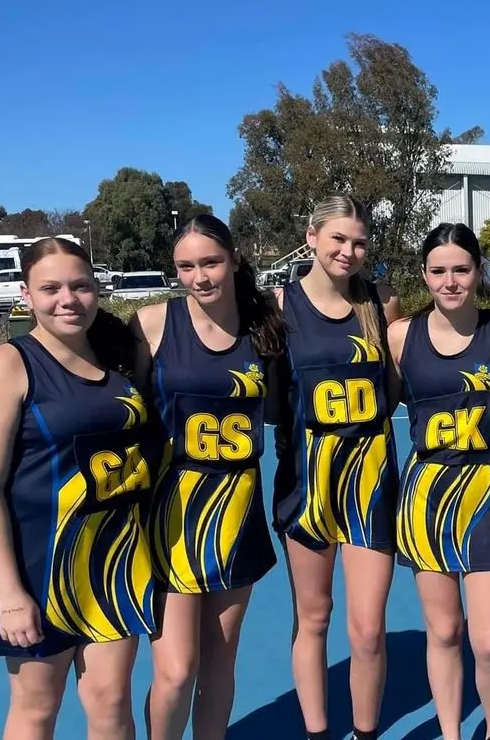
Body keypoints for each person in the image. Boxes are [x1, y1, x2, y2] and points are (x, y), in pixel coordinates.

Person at [0, 236, 162, 738]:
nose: (67, 300)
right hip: (38, 567)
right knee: (37, 708)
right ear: (26, 296)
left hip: (114, 562)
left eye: (80, 286)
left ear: (98, 290)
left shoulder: (116, 358)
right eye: (50, 288)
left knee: (112, 703)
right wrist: (9, 593)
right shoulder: (8, 365)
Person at [130, 213, 285, 739]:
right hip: (170, 522)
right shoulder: (152, 324)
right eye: (186, 266)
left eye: (211, 262)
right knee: (176, 671)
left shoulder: (264, 326)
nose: (200, 276)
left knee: (220, 663)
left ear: (235, 259)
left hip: (238, 516)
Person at [388, 223, 490, 740]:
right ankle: (451, 733)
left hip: (487, 494)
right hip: (426, 498)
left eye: (462, 269)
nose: (450, 281)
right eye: (438, 270)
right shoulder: (401, 335)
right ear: (424, 274)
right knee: (445, 631)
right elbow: (378, 406)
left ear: (478, 270)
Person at [272, 195, 404, 740]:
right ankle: (318, 730)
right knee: (315, 618)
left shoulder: (382, 304)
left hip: (371, 486)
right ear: (311, 237)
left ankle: (367, 732)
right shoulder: (277, 308)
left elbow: (399, 389)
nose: (349, 252)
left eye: (359, 242)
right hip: (306, 487)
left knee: (369, 630)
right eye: (338, 240)